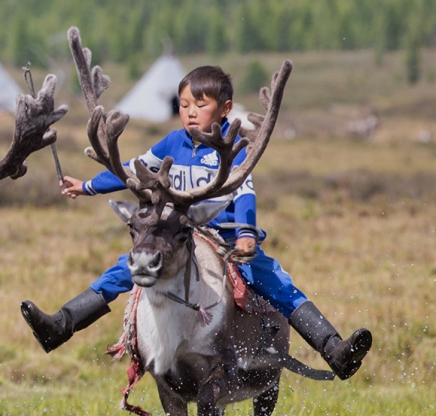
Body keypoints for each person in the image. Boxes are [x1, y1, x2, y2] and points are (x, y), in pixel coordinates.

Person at [20, 65, 371, 380]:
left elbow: (244, 192)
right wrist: (87, 186)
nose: (190, 113)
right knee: (123, 269)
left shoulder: (232, 148)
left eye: (200, 106)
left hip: (225, 237)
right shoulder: (173, 141)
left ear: (225, 109)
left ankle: (333, 350)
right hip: (177, 232)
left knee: (271, 279)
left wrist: (247, 234)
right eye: (185, 105)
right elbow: (132, 171)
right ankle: (60, 326)